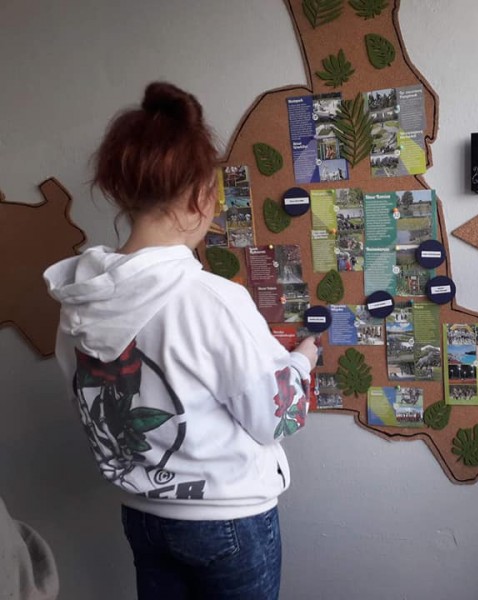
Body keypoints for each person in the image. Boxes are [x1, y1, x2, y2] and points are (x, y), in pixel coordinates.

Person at [43, 82, 318, 599]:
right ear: (199, 197)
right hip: (227, 518)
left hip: (143, 516)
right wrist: (301, 363)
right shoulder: (212, 299)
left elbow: (96, 402)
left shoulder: (79, 300)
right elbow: (276, 419)